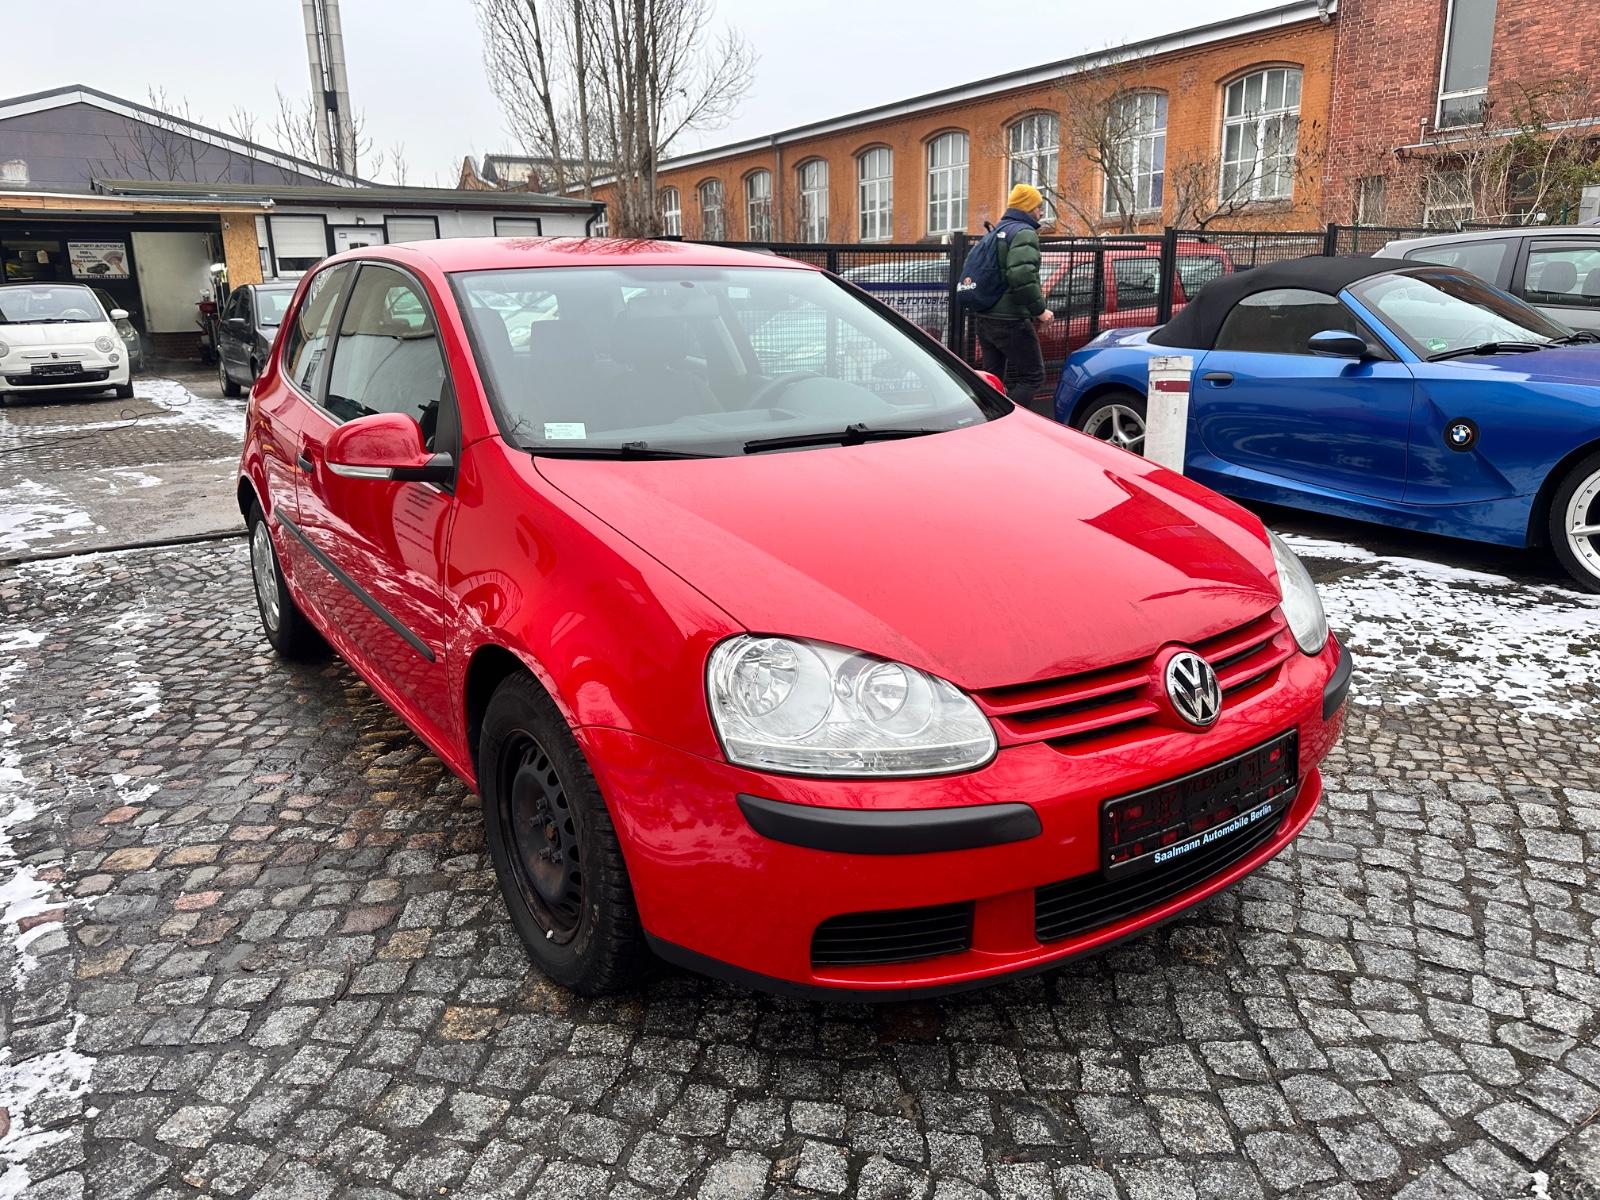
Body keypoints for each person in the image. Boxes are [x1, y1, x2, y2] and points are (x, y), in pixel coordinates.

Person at [976, 183, 1054, 415]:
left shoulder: (997, 232)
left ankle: (987, 418)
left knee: (993, 378)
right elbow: (1021, 274)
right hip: (1010, 319)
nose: (1041, 213)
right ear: (1029, 208)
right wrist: (1040, 310)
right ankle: (1010, 422)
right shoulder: (1023, 232)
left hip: (985, 315)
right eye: (1039, 207)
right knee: (1033, 376)